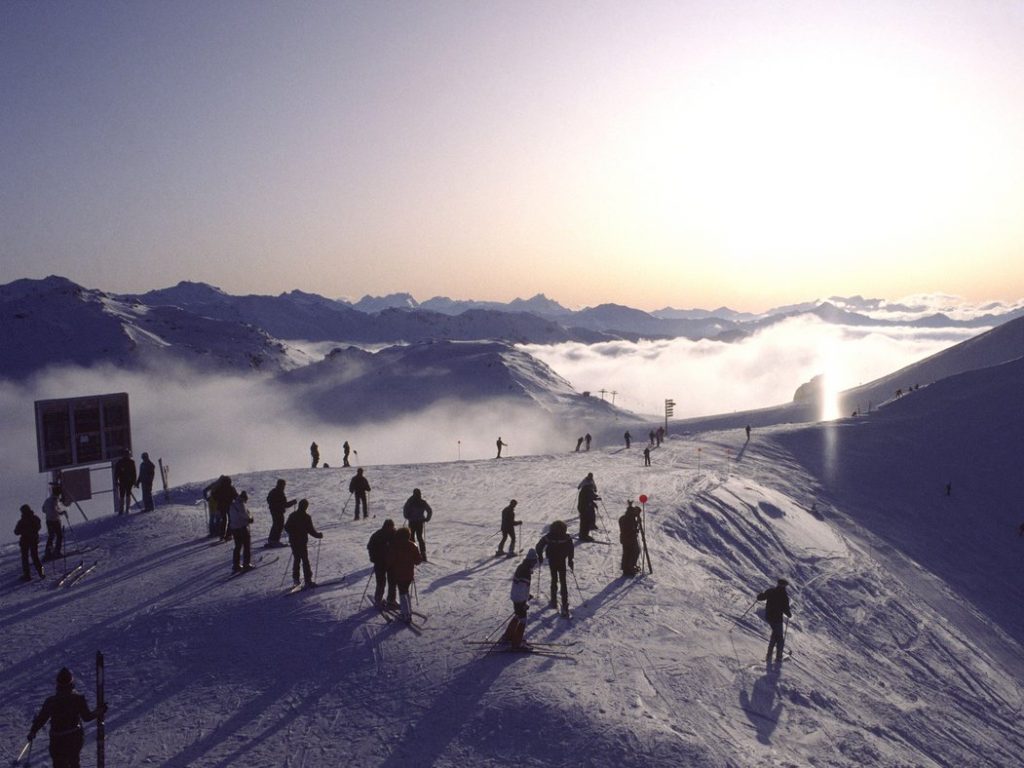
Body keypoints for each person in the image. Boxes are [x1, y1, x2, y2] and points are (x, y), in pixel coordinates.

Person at [27, 667, 106, 768]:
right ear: (71, 683)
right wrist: (100, 711)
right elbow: (87, 717)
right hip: (73, 739)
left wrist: (33, 731)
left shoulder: (51, 701)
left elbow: (42, 719)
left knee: (59, 764)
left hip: (57, 740)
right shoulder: (78, 699)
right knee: (73, 763)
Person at [501, 548, 539, 648]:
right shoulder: (526, 572)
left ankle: (508, 636)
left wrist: (527, 596)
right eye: (534, 561)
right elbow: (521, 588)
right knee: (523, 619)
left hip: (516, 596)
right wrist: (523, 603)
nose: (535, 564)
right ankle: (517, 643)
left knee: (517, 616)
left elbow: (521, 587)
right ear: (531, 561)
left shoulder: (522, 567)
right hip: (519, 598)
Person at [535, 521, 574, 617]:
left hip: (552, 560)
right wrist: (570, 560)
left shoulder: (549, 536)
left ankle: (553, 600)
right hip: (561, 561)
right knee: (563, 581)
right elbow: (571, 549)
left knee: (554, 579)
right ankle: (564, 605)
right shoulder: (566, 537)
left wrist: (540, 556)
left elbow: (538, 546)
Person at [284, 499, 323, 588]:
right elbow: (311, 530)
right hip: (300, 541)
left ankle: (296, 579)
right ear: (305, 507)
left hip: (294, 541)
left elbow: (286, 527)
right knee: (304, 560)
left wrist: (293, 532)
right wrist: (318, 535)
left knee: (297, 559)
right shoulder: (306, 517)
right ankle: (307, 580)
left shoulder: (293, 515)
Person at [386, 526, 422, 622]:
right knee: (405, 592)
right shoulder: (413, 545)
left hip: (398, 574)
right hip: (409, 574)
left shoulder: (395, 546)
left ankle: (406, 614)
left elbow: (390, 560)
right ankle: (407, 611)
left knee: (403, 593)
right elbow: (418, 561)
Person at [756, 578, 793, 663]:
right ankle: (778, 657)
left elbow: (760, 598)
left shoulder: (771, 591)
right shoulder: (784, 596)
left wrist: (760, 595)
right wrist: (789, 614)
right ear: (784, 586)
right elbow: (786, 609)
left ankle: (769, 655)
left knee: (775, 635)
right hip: (777, 619)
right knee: (779, 638)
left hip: (769, 616)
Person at [367, 519, 397, 608]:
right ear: (385, 526)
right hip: (380, 562)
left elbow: (400, 546)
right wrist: (373, 558)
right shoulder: (377, 535)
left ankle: (391, 600)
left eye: (391, 527)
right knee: (381, 582)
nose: (390, 529)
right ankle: (378, 599)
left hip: (392, 562)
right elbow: (370, 547)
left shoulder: (395, 534)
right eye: (389, 527)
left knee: (392, 582)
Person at [15, 504, 45, 582]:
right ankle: (42, 573)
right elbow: (38, 527)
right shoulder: (35, 518)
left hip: (25, 541)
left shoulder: (22, 521)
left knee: (25, 558)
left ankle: (27, 575)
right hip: (33, 540)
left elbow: (16, 532)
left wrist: (24, 531)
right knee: (35, 557)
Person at [402, 488, 433, 562]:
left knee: (411, 537)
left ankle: (412, 554)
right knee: (419, 537)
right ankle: (423, 554)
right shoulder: (422, 502)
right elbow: (429, 510)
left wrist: (407, 516)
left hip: (412, 522)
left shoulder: (410, 501)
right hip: (420, 522)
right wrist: (426, 518)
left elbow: (405, 509)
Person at [265, 479, 296, 548]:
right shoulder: (280, 492)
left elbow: (268, 499)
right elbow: (284, 504)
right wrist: (292, 502)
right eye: (284, 485)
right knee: (279, 525)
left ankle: (271, 540)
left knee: (276, 524)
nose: (284, 486)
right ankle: (275, 541)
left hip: (274, 511)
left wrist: (273, 505)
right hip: (278, 511)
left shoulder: (273, 491)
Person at [227, 491, 253, 572]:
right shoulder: (241, 504)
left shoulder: (232, 504)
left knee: (237, 546)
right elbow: (244, 515)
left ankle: (236, 565)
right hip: (242, 527)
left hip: (234, 528)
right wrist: (250, 519)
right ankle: (246, 564)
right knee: (246, 545)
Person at [619, 501, 642, 576]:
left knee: (627, 553)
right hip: (630, 539)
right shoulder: (630, 519)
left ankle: (626, 568)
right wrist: (636, 528)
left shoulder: (624, 517)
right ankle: (630, 568)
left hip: (624, 539)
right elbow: (631, 529)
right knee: (635, 552)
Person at [211, 476, 238, 541]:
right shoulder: (231, 488)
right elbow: (236, 496)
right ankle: (228, 535)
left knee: (223, 520)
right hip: (229, 506)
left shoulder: (220, 488)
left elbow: (214, 496)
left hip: (221, 506)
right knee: (230, 520)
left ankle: (222, 535)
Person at [42, 486, 65, 561]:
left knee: (51, 536)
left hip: (48, 520)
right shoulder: (55, 500)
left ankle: (48, 552)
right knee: (59, 536)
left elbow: (43, 509)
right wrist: (62, 512)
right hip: (55, 520)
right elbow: (56, 510)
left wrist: (49, 513)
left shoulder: (47, 500)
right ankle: (57, 552)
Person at [577, 473, 600, 542]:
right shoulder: (587, 489)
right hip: (584, 508)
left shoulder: (587, 488)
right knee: (585, 522)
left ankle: (585, 533)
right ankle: (583, 536)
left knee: (586, 520)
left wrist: (594, 501)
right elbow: (589, 497)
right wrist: (595, 499)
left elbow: (590, 497)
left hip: (584, 507)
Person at [113, 449, 136, 515]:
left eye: (127, 454)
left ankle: (127, 508)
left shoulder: (131, 462)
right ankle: (122, 509)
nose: (127, 455)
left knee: (127, 494)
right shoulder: (120, 462)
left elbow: (134, 473)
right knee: (122, 495)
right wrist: (116, 480)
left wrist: (134, 481)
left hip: (128, 482)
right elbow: (116, 473)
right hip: (122, 482)